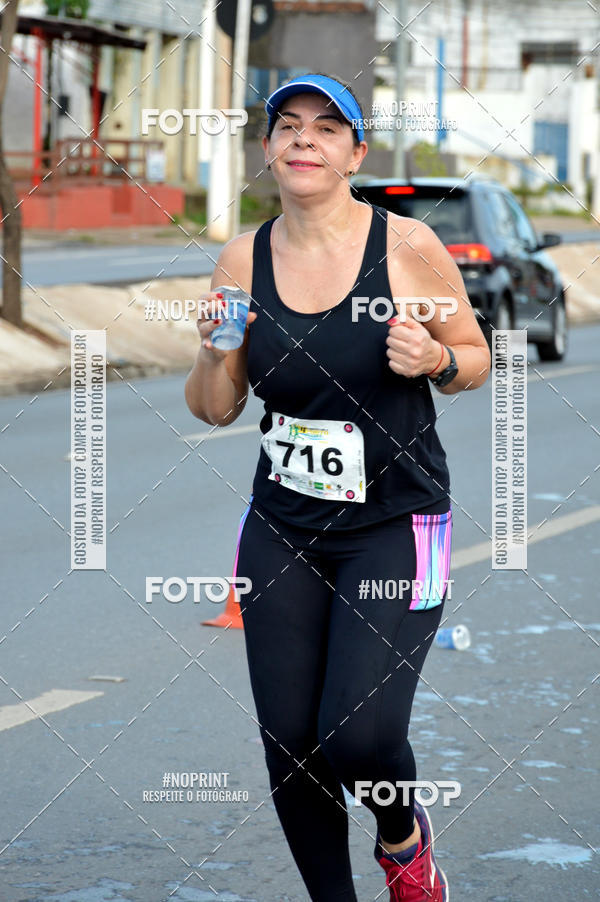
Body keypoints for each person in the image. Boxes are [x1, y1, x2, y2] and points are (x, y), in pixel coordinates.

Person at [185, 72, 490, 902]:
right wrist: (217, 351)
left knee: (359, 731)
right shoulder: (243, 257)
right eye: (287, 125)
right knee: (291, 743)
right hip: (282, 527)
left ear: (356, 151)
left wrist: (436, 360)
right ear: (268, 148)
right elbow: (214, 409)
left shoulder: (405, 248)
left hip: (398, 520)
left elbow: (476, 357)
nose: (303, 140)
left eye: (327, 128)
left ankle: (404, 839)